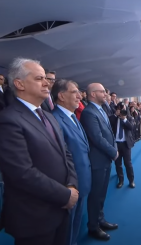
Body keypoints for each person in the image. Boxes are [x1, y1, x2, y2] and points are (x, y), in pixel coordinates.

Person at [0, 58, 78, 245]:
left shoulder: (49, 117)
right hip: (35, 218)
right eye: (39, 78)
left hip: (61, 211)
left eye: (46, 78)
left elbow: (66, 154)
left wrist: (71, 185)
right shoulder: (7, 121)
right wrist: (65, 195)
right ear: (19, 84)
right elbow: (22, 173)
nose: (47, 83)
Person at [51, 79, 92, 245]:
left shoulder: (72, 117)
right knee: (66, 232)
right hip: (70, 185)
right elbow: (61, 157)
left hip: (81, 182)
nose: (80, 96)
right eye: (74, 92)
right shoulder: (56, 120)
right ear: (61, 96)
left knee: (75, 227)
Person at [80, 83, 118, 241]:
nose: (106, 94)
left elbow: (109, 133)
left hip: (105, 159)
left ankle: (100, 219)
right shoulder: (89, 112)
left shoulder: (101, 109)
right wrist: (113, 151)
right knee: (95, 195)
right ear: (93, 94)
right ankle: (93, 226)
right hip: (97, 160)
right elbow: (97, 138)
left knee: (102, 193)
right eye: (102, 92)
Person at [109, 102, 135, 188]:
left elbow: (131, 127)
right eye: (120, 109)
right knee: (118, 163)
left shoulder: (129, 118)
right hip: (116, 144)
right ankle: (121, 180)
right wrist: (116, 115)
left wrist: (124, 119)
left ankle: (131, 181)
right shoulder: (115, 118)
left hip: (126, 144)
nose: (122, 111)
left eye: (123, 108)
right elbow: (109, 122)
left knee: (128, 163)